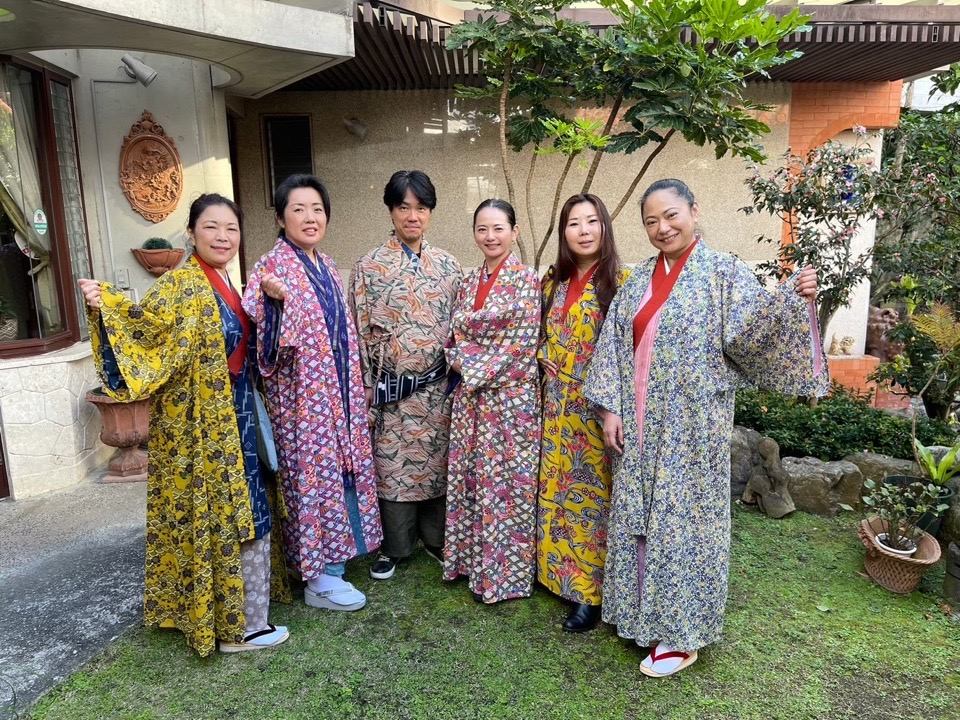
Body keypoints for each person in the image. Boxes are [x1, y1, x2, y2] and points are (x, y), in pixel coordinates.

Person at [583, 178, 828, 677]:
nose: (661, 228)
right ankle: (643, 617)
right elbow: (612, 343)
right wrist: (610, 409)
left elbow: (759, 330)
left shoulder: (723, 273)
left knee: (685, 525)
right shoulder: (638, 279)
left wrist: (795, 297)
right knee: (642, 520)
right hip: (640, 425)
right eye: (650, 221)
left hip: (694, 431)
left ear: (694, 211)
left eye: (670, 215)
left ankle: (682, 635)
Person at [78, 194, 288, 656]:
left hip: (235, 415)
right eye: (211, 227)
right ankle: (238, 627)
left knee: (248, 507)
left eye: (231, 229)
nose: (223, 237)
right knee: (227, 513)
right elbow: (142, 333)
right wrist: (105, 309)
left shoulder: (229, 284)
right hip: (201, 426)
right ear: (191, 234)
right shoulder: (180, 286)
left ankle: (243, 613)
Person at [242, 174, 382, 612]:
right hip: (304, 403)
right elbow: (263, 345)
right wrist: (272, 302)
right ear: (281, 218)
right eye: (298, 209)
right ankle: (317, 576)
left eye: (317, 209)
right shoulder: (271, 269)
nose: (309, 217)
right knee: (312, 479)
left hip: (338, 396)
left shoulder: (326, 265)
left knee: (341, 474)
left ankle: (336, 561)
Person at [349, 171, 463, 581]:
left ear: (430, 213)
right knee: (393, 468)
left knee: (436, 463)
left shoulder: (449, 266)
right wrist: (363, 388)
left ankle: (436, 539)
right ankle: (394, 547)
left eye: (420, 208)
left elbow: (462, 327)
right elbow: (358, 331)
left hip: (437, 387)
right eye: (403, 207)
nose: (412, 216)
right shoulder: (369, 266)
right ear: (391, 211)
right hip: (390, 388)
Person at [537, 193, 629, 632]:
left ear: (605, 227)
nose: (585, 230)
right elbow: (536, 334)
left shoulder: (622, 282)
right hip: (555, 408)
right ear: (564, 232)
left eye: (593, 221)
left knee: (592, 501)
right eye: (575, 223)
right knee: (557, 494)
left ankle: (590, 595)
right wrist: (541, 354)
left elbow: (634, 352)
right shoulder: (553, 281)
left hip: (596, 412)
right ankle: (557, 577)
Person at [443, 199, 541, 604]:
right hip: (470, 399)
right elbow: (453, 336)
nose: (490, 236)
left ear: (514, 232)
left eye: (498, 228)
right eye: (482, 229)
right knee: (471, 479)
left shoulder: (528, 280)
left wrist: (469, 348)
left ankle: (507, 576)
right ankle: (469, 562)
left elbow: (520, 342)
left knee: (506, 485)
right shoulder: (466, 283)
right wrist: (467, 342)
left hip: (510, 400)